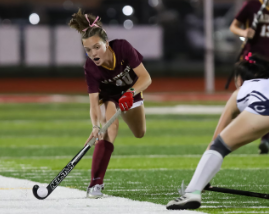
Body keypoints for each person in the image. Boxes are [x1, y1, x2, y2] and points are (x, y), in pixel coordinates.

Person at [166, 53, 269, 210]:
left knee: (219, 146)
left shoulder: (239, 93)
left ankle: (191, 193)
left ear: (240, 79)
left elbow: (215, 142)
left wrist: (203, 179)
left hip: (262, 109)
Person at [69, 9, 152, 198]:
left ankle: (95, 182)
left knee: (140, 133)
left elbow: (146, 78)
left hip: (131, 91)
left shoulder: (122, 47)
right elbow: (93, 103)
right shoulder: (90, 67)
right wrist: (95, 126)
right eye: (88, 50)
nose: (93, 53)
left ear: (106, 43)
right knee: (109, 129)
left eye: (97, 47)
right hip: (109, 96)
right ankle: (95, 184)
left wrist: (130, 94)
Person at [230, 0, 269, 154]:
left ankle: (265, 138)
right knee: (246, 101)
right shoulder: (252, 4)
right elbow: (234, 26)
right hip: (253, 61)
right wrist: (244, 33)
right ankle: (229, 136)